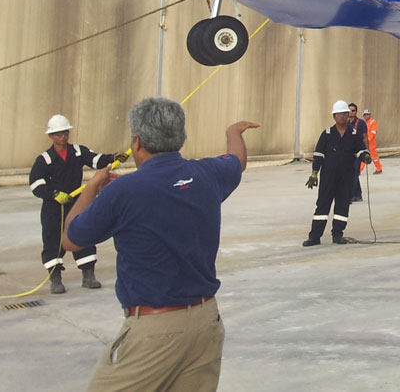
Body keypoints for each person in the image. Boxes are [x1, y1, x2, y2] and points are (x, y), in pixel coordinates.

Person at [62, 97, 259, 392]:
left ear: (137, 142)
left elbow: (71, 239)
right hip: (206, 322)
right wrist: (233, 132)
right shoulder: (207, 174)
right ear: (180, 137)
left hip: (154, 330)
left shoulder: (123, 191)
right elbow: (237, 160)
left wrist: (91, 188)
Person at [29, 114, 121, 294]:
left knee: (84, 234)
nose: (63, 137)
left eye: (65, 132)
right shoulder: (45, 159)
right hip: (54, 207)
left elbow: (96, 160)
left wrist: (113, 157)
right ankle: (55, 279)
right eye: (59, 134)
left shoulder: (78, 152)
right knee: (53, 240)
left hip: (78, 202)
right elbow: (35, 184)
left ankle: (88, 275)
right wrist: (54, 194)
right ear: (51, 136)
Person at [303, 99, 369, 246]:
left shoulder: (354, 134)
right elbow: (319, 154)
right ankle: (315, 237)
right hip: (328, 176)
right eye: (339, 114)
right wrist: (314, 173)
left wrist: (365, 156)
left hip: (346, 177)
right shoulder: (327, 134)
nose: (342, 116)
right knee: (322, 204)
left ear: (348, 115)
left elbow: (361, 149)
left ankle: (338, 235)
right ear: (334, 117)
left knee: (343, 205)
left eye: (344, 114)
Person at [347, 103, 366, 202]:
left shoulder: (361, 123)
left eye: (353, 110)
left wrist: (366, 152)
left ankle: (352, 195)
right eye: (349, 110)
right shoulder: (345, 123)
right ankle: (358, 194)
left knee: (354, 173)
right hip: (348, 153)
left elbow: (365, 137)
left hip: (358, 152)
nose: (351, 112)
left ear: (356, 112)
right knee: (350, 173)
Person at [363, 107, 382, 174]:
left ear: (370, 115)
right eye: (364, 115)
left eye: (367, 114)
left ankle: (379, 168)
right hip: (366, 143)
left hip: (371, 144)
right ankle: (359, 170)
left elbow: (373, 133)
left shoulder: (372, 122)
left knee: (374, 157)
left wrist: (368, 140)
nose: (366, 116)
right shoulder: (364, 122)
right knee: (363, 156)